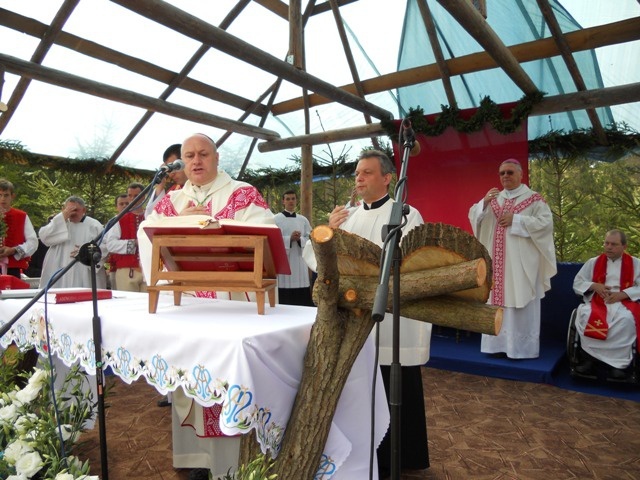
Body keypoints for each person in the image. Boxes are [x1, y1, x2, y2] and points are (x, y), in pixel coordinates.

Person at [137, 133, 274, 479]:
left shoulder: (243, 194)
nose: (196, 161)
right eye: (189, 156)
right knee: (193, 385)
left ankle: (237, 462)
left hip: (234, 310)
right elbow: (147, 232)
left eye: (203, 154)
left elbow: (266, 235)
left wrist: (213, 226)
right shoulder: (171, 201)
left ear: (216, 157)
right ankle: (198, 459)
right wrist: (181, 222)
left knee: (229, 385)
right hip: (191, 310)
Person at [303, 149, 431, 477]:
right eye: (357, 172)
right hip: (351, 316)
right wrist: (327, 230)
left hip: (390, 319)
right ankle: (362, 453)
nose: (359, 178)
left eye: (367, 173)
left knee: (394, 382)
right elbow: (314, 258)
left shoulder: (405, 214)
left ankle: (401, 457)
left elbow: (415, 260)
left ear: (388, 178)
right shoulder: (345, 215)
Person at [468, 158, 557, 359]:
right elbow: (475, 217)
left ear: (520, 174)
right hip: (497, 264)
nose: (505, 176)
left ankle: (521, 349)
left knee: (521, 300)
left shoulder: (534, 199)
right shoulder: (494, 198)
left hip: (521, 265)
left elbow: (545, 224)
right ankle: (496, 346)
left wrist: (517, 220)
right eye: (502, 173)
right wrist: (483, 203)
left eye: (509, 172)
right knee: (496, 300)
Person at [573, 229, 640, 379]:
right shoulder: (593, 262)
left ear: (624, 246)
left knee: (626, 320)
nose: (609, 247)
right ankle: (589, 360)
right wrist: (594, 286)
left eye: (614, 244)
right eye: (607, 243)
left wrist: (624, 294)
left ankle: (618, 365)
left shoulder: (636, 264)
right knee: (585, 314)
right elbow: (578, 283)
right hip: (598, 301)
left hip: (623, 302)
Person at [39, 196, 107, 289]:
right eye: (69, 210)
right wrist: (62, 217)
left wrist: (85, 252)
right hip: (59, 267)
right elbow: (44, 237)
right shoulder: (58, 223)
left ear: (84, 210)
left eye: (76, 210)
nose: (72, 213)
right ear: (63, 209)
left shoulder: (94, 225)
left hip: (84, 271)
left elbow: (104, 247)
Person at [274, 189, 313, 306]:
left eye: (293, 199)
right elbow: (273, 239)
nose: (291, 201)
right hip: (285, 260)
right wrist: (289, 239)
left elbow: (311, 238)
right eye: (288, 199)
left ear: (296, 200)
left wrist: (300, 239)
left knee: (302, 299)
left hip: (299, 260)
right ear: (283, 202)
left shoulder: (303, 220)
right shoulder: (276, 219)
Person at [105, 183, 147, 292]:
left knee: (149, 306)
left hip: (149, 270)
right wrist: (134, 243)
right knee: (129, 305)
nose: (133, 198)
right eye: (130, 195)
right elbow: (110, 244)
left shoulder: (151, 216)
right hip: (126, 270)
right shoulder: (118, 219)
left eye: (137, 195)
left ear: (144, 197)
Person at [0, 178, 38, 278]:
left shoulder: (21, 216)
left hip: (12, 267)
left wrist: (13, 250)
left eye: (6, 195)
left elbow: (33, 242)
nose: (2, 199)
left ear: (12, 196)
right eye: (0, 195)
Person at [144, 143, 187, 218]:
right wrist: (161, 183)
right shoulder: (173, 191)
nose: (171, 174)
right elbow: (152, 217)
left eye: (176, 166)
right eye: (170, 169)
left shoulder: (205, 185)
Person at [106, 193, 129, 290]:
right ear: (116, 207)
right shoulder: (113, 222)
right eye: (121, 204)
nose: (124, 206)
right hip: (117, 268)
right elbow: (109, 245)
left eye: (127, 203)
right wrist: (133, 244)